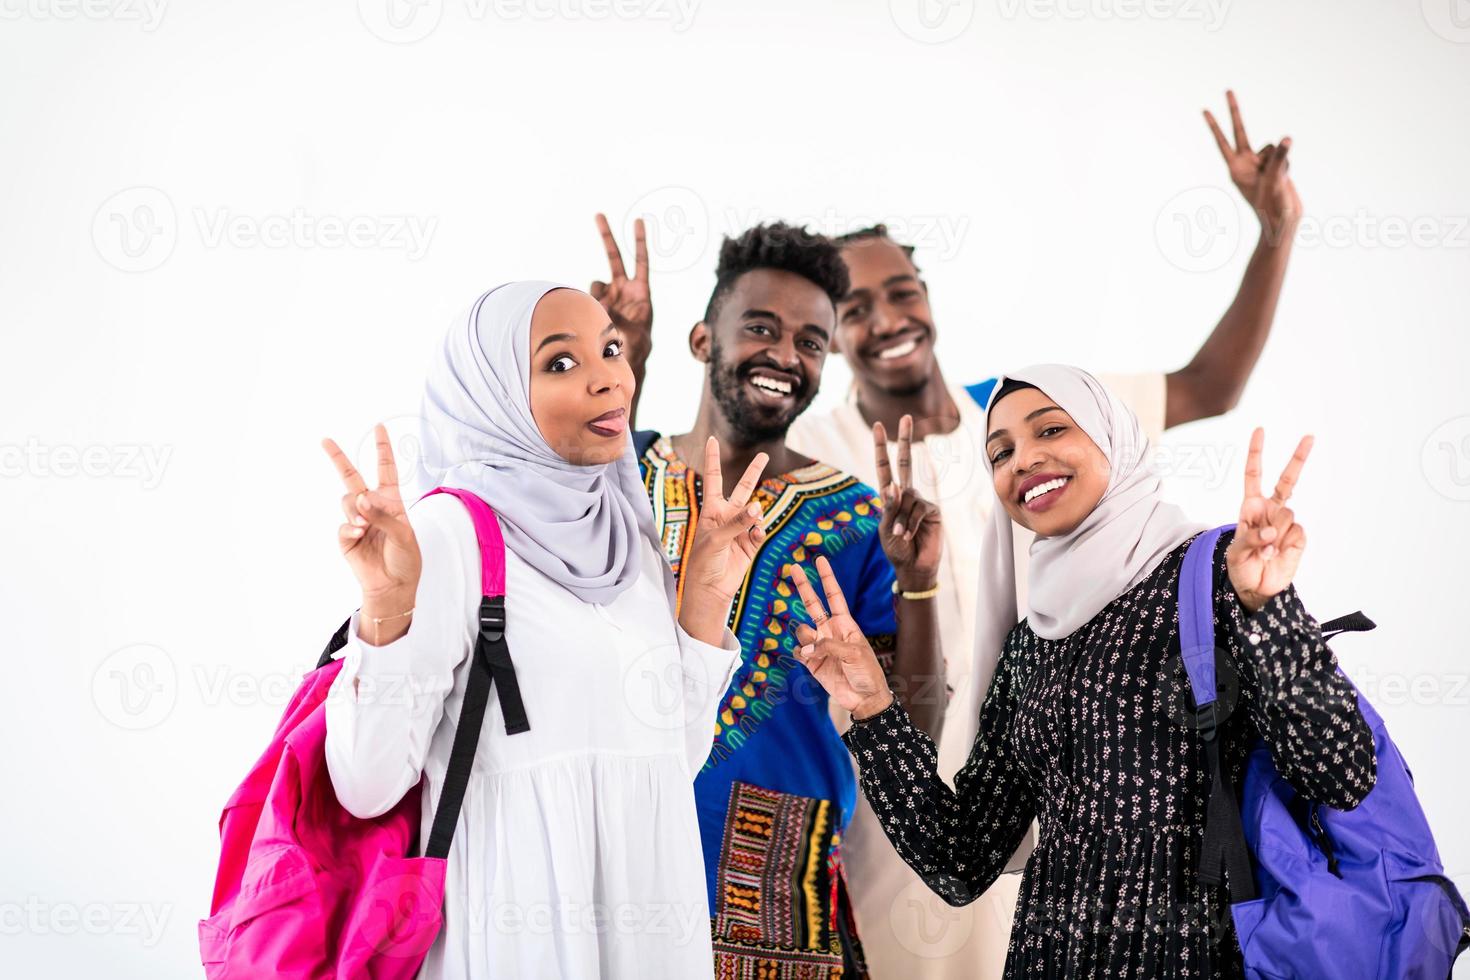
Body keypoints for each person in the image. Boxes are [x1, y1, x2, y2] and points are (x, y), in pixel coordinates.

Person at [784, 91, 1303, 979]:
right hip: (910, 808)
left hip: (1076, 805)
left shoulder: (1031, 412)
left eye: (900, 290)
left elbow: (1210, 385)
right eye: (853, 307)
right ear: (829, 334)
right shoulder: (818, 450)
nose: (885, 318)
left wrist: (1273, 232)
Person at [784, 365, 1376, 978]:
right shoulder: (1033, 643)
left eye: (1051, 430)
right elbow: (959, 860)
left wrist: (1270, 608)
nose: (1024, 460)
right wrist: (874, 705)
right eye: (1001, 452)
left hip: (1196, 956)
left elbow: (1343, 775)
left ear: (1113, 437)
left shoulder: (1212, 580)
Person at [319, 281, 774, 979]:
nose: (608, 379)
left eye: (611, 350)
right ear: (491, 395)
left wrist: (705, 601)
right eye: (560, 363)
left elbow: (669, 761)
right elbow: (367, 785)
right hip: (518, 930)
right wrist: (385, 605)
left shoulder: (627, 533)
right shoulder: (449, 536)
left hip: (652, 926)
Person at [593, 218, 945, 975]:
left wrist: (918, 585)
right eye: (761, 327)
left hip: (776, 897)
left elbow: (911, 738)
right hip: (603, 870)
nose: (786, 355)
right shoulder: (618, 478)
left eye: (812, 342)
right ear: (701, 340)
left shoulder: (856, 520)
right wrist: (625, 362)